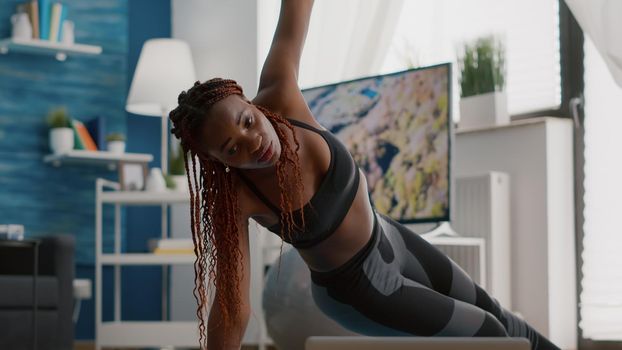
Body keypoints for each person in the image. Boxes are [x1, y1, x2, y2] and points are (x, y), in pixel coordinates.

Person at [168, 1, 560, 350]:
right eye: (232, 149)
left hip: (392, 240)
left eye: (247, 121)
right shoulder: (239, 195)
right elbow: (232, 307)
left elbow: (296, 7)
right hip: (361, 291)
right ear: (221, 162)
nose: (252, 143)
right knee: (488, 332)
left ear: (249, 103)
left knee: (496, 312)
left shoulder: (281, 94)